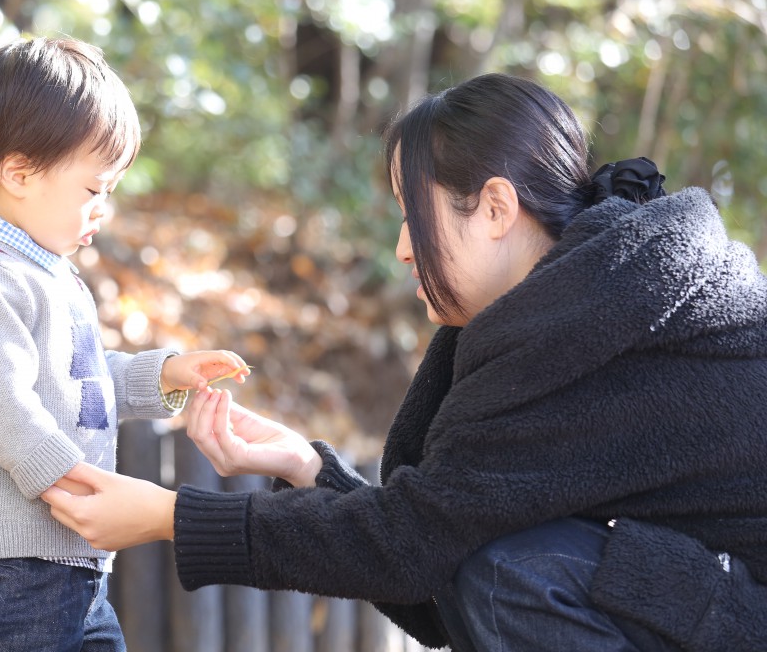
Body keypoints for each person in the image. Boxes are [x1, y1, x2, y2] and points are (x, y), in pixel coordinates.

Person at [42, 72, 767, 651]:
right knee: (499, 565)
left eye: (412, 213)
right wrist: (307, 469)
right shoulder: (582, 301)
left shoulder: (600, 316)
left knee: (515, 570)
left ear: (493, 208)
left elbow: (420, 548)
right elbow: (437, 561)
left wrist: (172, 515)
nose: (400, 246)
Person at [0, 36, 249, 652]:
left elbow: (75, 382)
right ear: (18, 173)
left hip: (66, 559)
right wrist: (72, 486)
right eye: (93, 190)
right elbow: (3, 406)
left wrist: (164, 374)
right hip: (4, 563)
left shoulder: (44, 274)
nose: (102, 210)